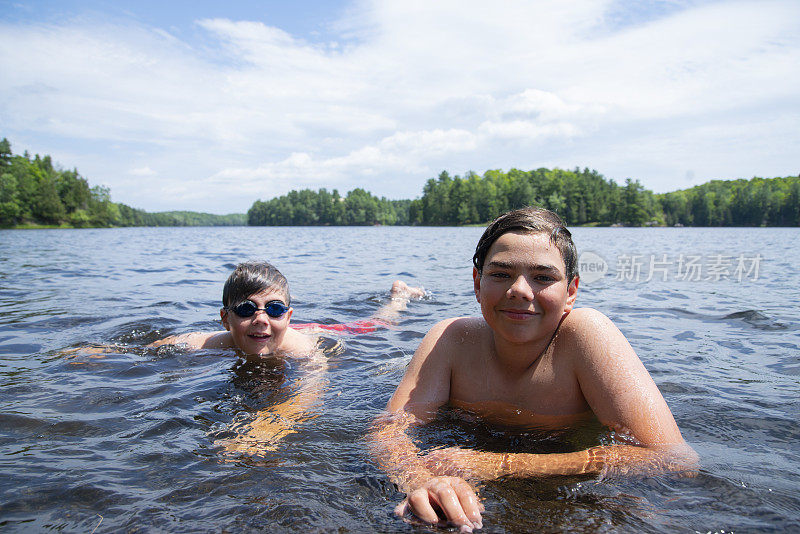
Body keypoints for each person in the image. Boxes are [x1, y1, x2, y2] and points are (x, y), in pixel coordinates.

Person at [368, 207, 699, 532]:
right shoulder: (451, 340)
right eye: (500, 274)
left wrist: (501, 465)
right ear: (477, 283)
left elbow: (675, 460)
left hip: (566, 493)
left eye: (543, 277)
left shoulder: (586, 336)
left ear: (571, 291)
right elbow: (388, 432)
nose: (520, 290)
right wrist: (420, 480)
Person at [146, 260, 425, 453]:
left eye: (274, 308)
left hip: (319, 332)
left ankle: (399, 297)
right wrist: (105, 352)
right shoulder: (211, 342)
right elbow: (161, 345)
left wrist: (269, 426)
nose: (261, 319)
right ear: (224, 319)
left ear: (288, 316)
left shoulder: (303, 350)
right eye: (246, 309)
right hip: (280, 332)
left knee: (379, 324)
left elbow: (310, 390)